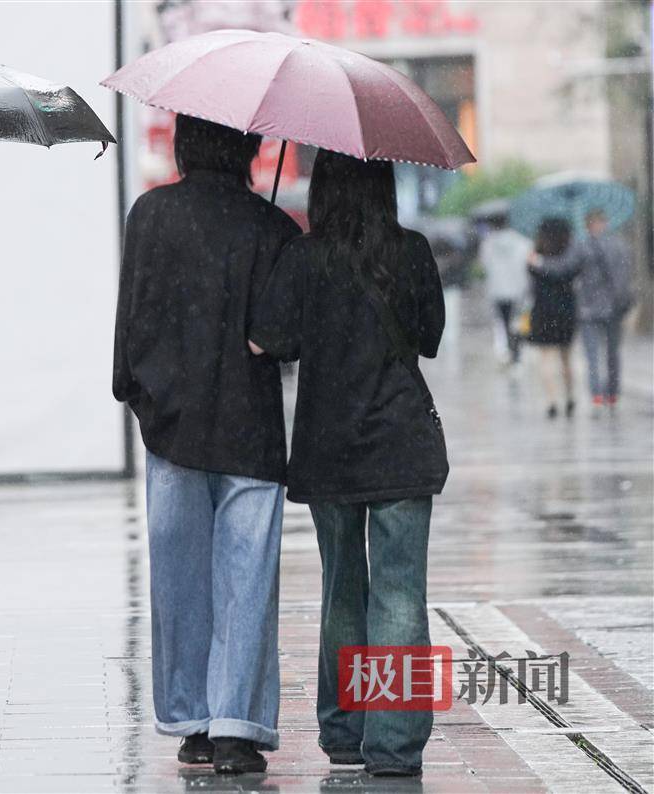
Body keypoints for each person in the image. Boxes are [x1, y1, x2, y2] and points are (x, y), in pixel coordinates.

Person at [248, 149, 448, 778]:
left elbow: (266, 341)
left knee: (343, 591)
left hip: (330, 448)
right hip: (401, 444)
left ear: (324, 189)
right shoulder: (410, 250)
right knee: (400, 596)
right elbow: (430, 336)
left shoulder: (306, 257)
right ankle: (394, 746)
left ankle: (343, 731)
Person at [113, 114, 301, 775]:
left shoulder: (151, 214)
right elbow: (285, 337)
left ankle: (191, 718)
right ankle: (235, 729)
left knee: (180, 578)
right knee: (247, 577)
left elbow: (132, 318)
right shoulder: (272, 226)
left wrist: (137, 393)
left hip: (173, 423)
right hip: (250, 427)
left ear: (186, 147)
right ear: (250, 150)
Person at [573, 208, 633, 411]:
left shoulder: (581, 246)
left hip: (589, 308)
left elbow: (569, 269)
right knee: (611, 353)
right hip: (612, 307)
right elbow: (626, 274)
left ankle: (598, 394)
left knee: (593, 354)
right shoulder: (619, 245)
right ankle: (611, 394)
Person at [526, 217, 578, 419]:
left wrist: (536, 263)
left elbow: (531, 282)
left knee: (546, 357)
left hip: (543, 310)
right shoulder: (570, 253)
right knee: (566, 357)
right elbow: (569, 273)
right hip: (566, 310)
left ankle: (551, 401)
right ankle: (570, 396)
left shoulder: (535, 255)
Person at [477, 214, 531, 367]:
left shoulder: (488, 243)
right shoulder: (522, 241)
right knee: (517, 323)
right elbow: (527, 263)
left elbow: (484, 265)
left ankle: (508, 350)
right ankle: (516, 355)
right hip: (518, 289)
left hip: (497, 290)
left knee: (504, 322)